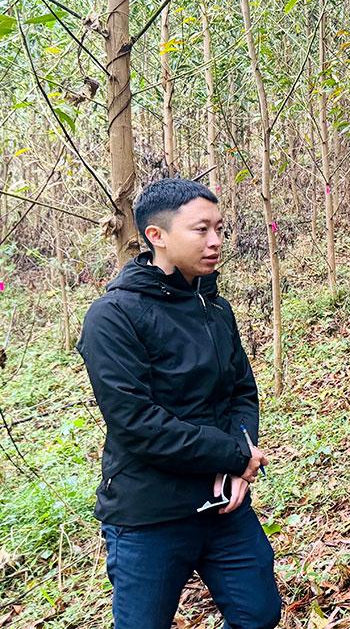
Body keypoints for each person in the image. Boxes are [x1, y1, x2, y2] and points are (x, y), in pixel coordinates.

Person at [77, 179, 280, 629]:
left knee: (258, 613)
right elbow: (138, 423)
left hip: (222, 505)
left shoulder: (215, 306)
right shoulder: (113, 316)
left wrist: (236, 465)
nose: (216, 242)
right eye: (201, 230)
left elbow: (241, 392)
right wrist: (237, 456)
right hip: (149, 513)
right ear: (157, 236)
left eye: (220, 229)